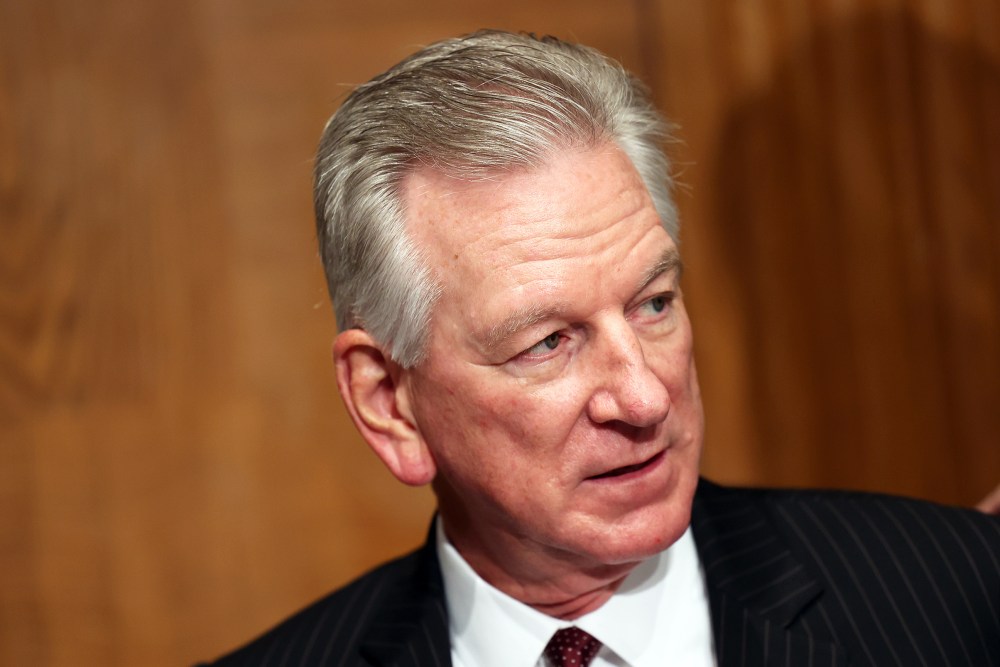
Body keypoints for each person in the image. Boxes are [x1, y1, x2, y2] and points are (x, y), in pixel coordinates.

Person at [205, 30, 1000, 666]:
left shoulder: (958, 596)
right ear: (390, 404)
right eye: (549, 342)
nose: (646, 397)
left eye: (654, 303)